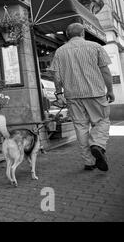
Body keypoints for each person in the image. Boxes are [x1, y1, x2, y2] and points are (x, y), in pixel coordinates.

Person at [48, 23, 114, 172]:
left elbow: (56, 76)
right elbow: (105, 71)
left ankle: (89, 162)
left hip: (73, 96)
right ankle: (97, 144)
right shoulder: (96, 47)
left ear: (67, 35)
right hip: (95, 93)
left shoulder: (60, 51)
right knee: (102, 120)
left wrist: (59, 93)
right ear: (83, 33)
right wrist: (110, 90)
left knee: (81, 127)